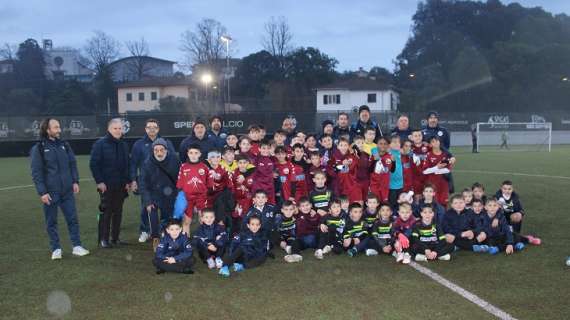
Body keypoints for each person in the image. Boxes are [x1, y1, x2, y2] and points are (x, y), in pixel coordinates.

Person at [30, 118, 89, 260]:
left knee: (72, 219)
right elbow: (36, 172)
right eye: (56, 127)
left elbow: (72, 164)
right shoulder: (39, 148)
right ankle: (56, 249)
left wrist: (75, 181)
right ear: (47, 129)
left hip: (67, 191)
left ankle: (77, 246)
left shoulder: (65, 145)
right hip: (50, 193)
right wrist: (42, 192)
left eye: (59, 127)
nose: (59, 130)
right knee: (51, 222)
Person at [90, 118, 135, 248]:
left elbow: (127, 164)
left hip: (121, 185)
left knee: (118, 212)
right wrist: (99, 182)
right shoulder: (100, 144)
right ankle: (103, 239)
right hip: (106, 185)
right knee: (106, 212)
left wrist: (127, 181)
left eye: (120, 128)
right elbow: (94, 164)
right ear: (109, 129)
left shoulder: (123, 145)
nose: (118, 131)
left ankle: (115, 238)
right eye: (115, 128)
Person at [130, 119, 176, 244]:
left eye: (154, 127)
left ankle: (162, 231)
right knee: (147, 208)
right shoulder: (138, 144)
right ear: (145, 129)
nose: (152, 129)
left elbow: (172, 160)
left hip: (166, 184)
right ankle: (145, 231)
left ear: (158, 129)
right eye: (149, 127)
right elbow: (133, 163)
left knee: (167, 210)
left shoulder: (167, 142)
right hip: (148, 183)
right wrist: (133, 180)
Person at [139, 138, 181, 251]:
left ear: (166, 150)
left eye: (162, 150)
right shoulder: (147, 163)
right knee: (152, 214)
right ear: (153, 151)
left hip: (169, 194)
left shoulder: (175, 160)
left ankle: (166, 236)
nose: (159, 152)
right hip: (153, 194)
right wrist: (148, 201)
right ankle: (155, 238)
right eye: (156, 150)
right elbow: (143, 183)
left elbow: (179, 178)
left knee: (168, 217)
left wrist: (178, 195)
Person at [176, 144, 213, 235]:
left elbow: (210, 184)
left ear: (200, 154)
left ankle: (205, 240)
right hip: (187, 197)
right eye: (191, 153)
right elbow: (180, 184)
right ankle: (185, 242)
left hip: (201, 197)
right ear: (188, 154)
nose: (193, 155)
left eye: (196, 153)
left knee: (203, 219)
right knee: (186, 221)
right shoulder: (183, 166)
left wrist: (205, 194)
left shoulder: (204, 167)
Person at [285, 197, 321, 263]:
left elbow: (321, 221)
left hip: (314, 239)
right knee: (295, 242)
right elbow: (290, 208)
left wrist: (322, 224)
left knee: (322, 234)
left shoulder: (315, 215)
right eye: (303, 206)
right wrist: (292, 202)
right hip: (302, 240)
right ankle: (296, 255)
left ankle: (321, 249)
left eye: (307, 205)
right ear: (299, 208)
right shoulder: (298, 214)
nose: (305, 207)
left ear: (311, 205)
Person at [251, 140, 276, 204]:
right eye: (264, 148)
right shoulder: (255, 160)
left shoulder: (273, 159)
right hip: (259, 188)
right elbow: (252, 174)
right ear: (259, 149)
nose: (266, 150)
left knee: (270, 207)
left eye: (268, 148)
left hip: (270, 188)